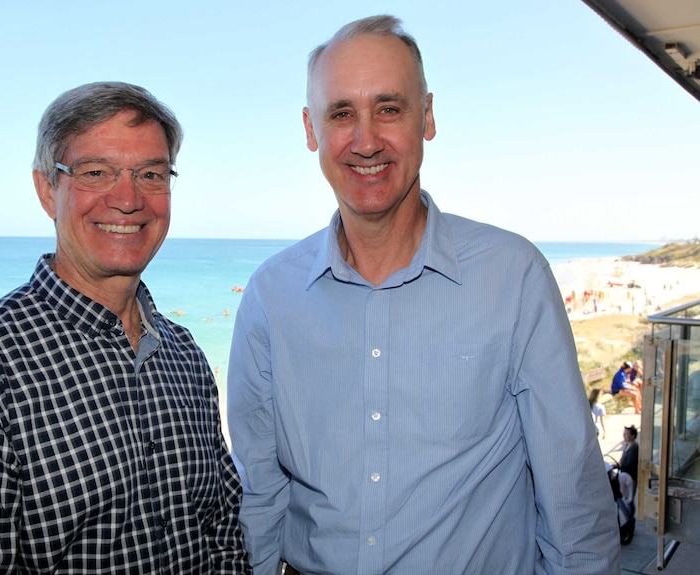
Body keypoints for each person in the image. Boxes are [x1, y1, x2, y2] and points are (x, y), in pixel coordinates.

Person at [227, 15, 620, 574]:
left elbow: (572, 497)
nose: (366, 140)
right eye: (341, 113)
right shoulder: (270, 297)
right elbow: (260, 497)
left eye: (389, 108)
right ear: (312, 130)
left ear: (427, 117)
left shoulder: (513, 278)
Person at [0, 82, 251, 574]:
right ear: (48, 189)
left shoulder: (185, 357)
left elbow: (223, 532)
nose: (128, 199)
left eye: (151, 174)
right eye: (96, 173)